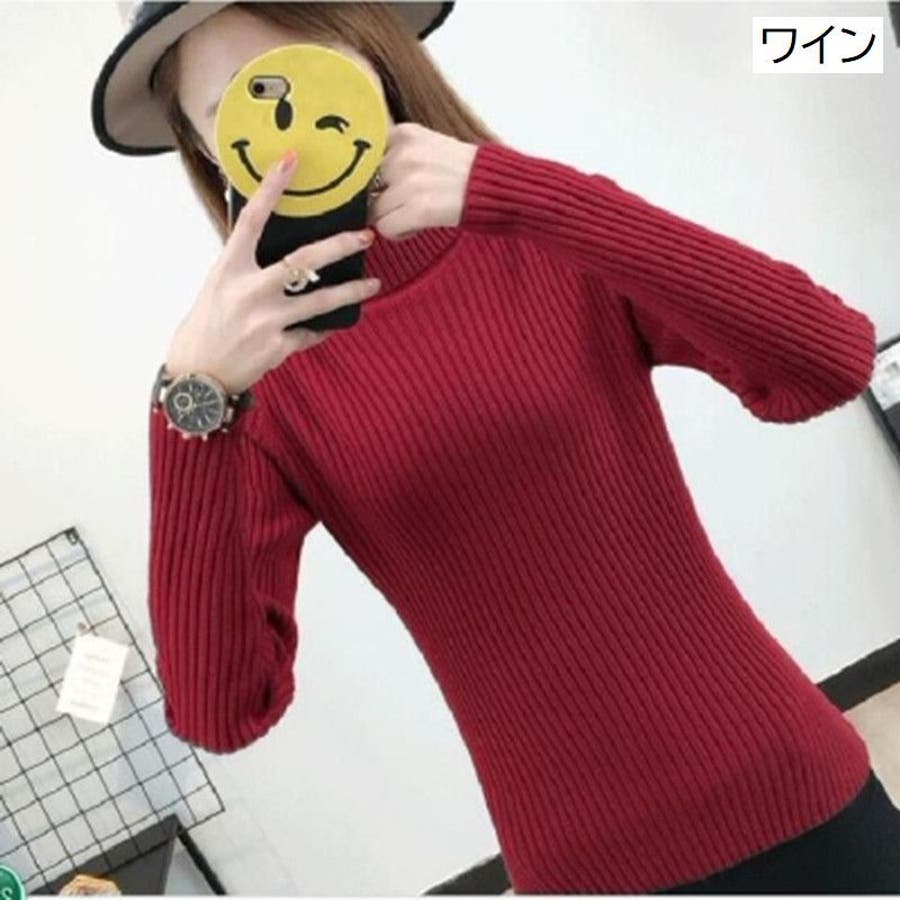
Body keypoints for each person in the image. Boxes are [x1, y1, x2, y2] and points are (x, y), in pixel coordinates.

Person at [90, 2, 900, 894]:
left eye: (305, 62)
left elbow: (827, 361)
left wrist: (525, 195)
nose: (289, 122)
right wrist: (191, 407)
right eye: (236, 106)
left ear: (369, 52)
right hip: (582, 867)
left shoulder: (541, 233)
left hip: (794, 787)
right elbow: (220, 710)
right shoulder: (251, 386)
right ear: (208, 151)